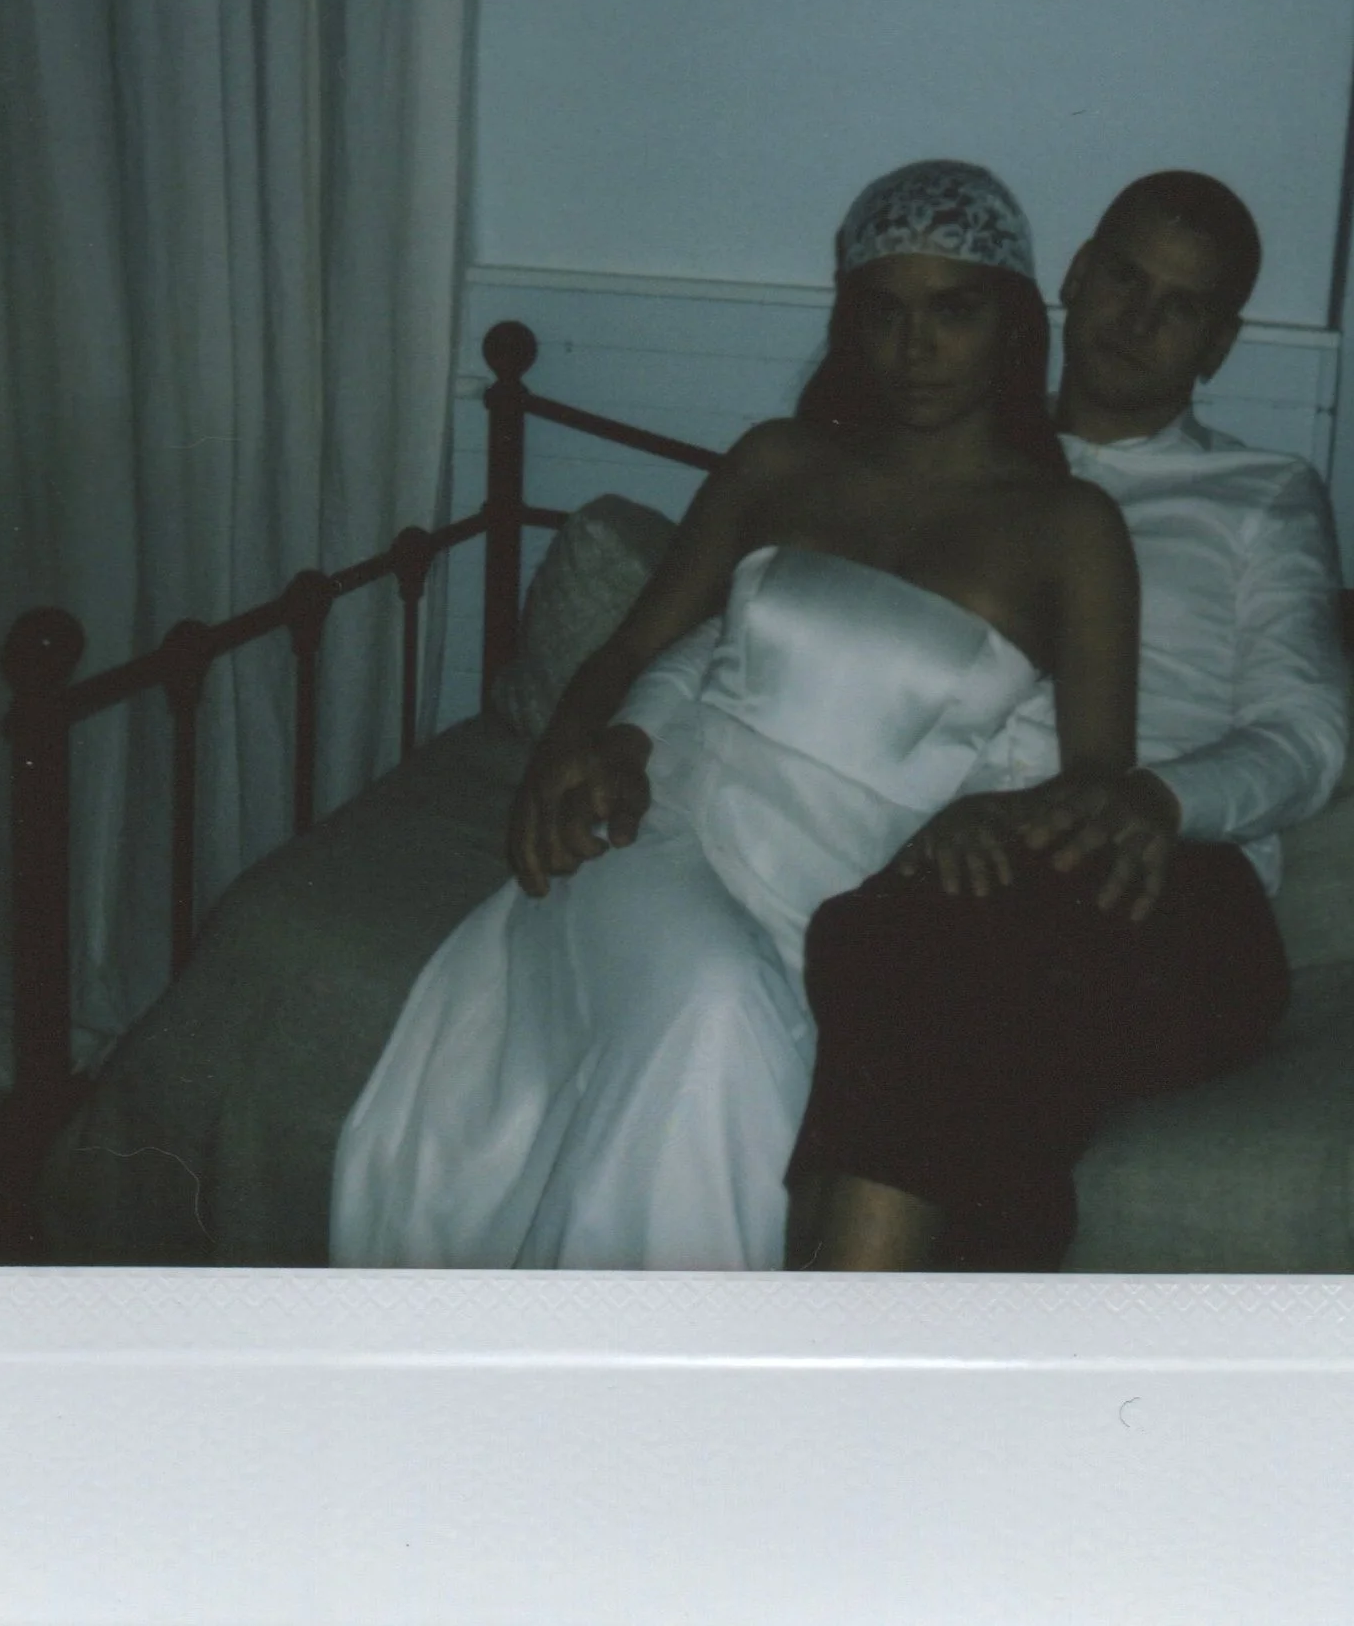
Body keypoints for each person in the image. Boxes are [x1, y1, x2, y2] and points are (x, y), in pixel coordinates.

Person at [328, 161, 1139, 1270]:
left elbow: (1100, 781)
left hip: (852, 885)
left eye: (954, 310)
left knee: (759, 1042)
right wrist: (567, 755)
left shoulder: (1069, 527)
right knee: (714, 1005)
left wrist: (996, 820)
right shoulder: (781, 461)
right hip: (669, 822)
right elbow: (630, 648)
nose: (916, 347)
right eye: (884, 311)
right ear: (848, 321)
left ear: (1011, 324)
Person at [786, 170, 1350, 1269]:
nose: (1136, 320)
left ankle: (829, 1360)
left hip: (1177, 892)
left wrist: (1151, 797)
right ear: (1076, 278)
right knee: (944, 985)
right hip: (970, 874)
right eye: (1123, 280)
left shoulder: (1261, 495)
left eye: (1178, 305)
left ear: (1218, 343)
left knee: (904, 957)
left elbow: (1306, 736)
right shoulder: (952, 463)